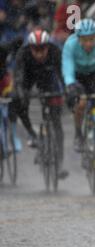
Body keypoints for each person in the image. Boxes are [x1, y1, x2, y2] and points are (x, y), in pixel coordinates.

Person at [10, 29, 68, 178]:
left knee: (56, 122)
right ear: (30, 48)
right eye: (36, 49)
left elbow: (63, 74)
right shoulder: (23, 54)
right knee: (18, 102)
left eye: (43, 49)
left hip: (48, 78)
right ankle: (32, 134)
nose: (40, 53)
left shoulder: (55, 52)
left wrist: (67, 91)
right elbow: (18, 77)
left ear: (48, 46)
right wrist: (22, 92)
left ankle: (59, 163)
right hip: (28, 77)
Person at [62, 18, 95, 182]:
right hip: (78, 77)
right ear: (78, 39)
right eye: (85, 40)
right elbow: (67, 69)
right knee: (81, 102)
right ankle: (79, 133)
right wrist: (70, 85)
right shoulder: (70, 45)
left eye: (92, 39)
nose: (89, 43)